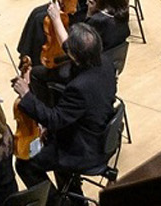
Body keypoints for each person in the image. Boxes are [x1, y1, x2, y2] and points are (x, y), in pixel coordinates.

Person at [11, 22, 116, 194]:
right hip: (100, 131)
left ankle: (58, 202)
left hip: (84, 149)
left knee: (25, 164)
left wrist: (26, 95)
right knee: (50, 143)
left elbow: (54, 120)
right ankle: (73, 197)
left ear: (75, 56)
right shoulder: (105, 61)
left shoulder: (79, 88)